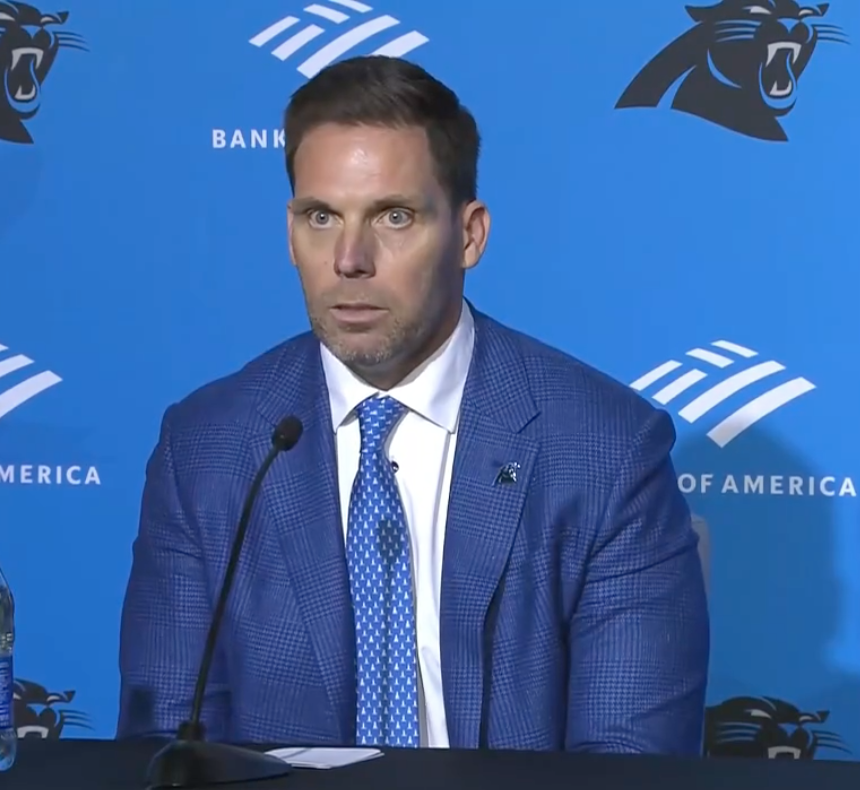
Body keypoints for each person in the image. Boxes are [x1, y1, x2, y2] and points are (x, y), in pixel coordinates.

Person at [118, 55, 709, 754]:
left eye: (393, 216)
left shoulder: (605, 449)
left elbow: (630, 763)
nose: (350, 259)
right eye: (320, 216)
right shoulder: (208, 448)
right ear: (289, 233)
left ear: (469, 235)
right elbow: (169, 748)